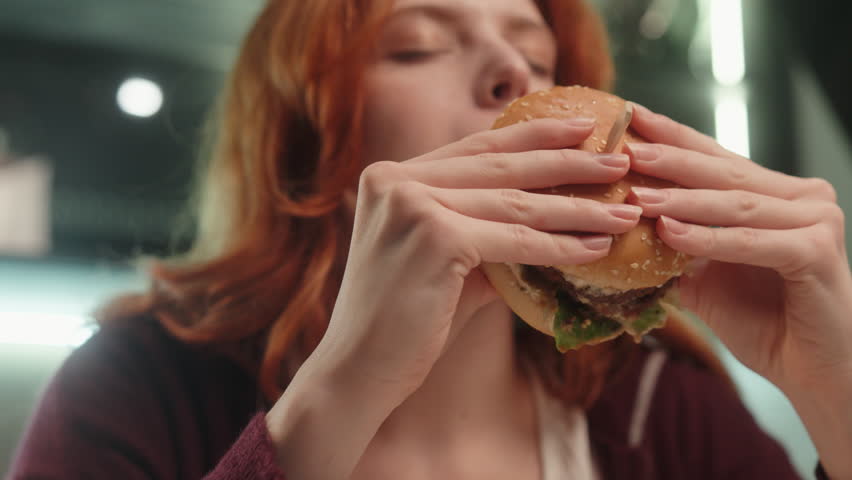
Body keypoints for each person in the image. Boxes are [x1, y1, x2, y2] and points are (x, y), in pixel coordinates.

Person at [7, 0, 852, 478]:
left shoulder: (661, 412)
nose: (514, 72)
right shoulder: (139, 387)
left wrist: (836, 392)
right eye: (415, 46)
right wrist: (344, 391)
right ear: (314, 153)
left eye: (535, 48)